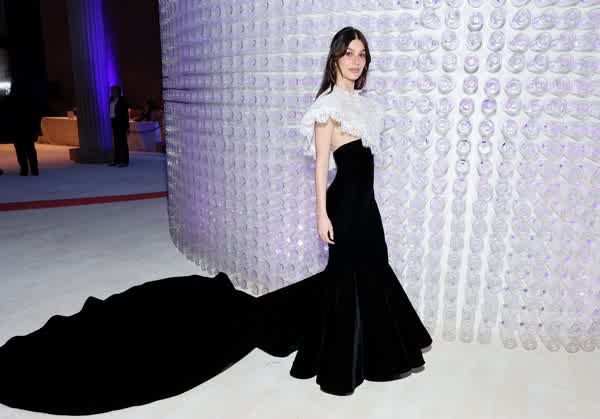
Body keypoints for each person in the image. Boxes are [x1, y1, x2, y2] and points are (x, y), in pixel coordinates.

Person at [0, 27, 432, 415]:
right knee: (347, 275)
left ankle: (371, 346)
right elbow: (322, 167)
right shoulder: (328, 107)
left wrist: (369, 208)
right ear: (335, 58)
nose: (356, 60)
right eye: (349, 53)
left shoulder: (365, 107)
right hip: (342, 207)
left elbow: (365, 169)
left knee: (369, 270)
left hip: (366, 207)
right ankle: (344, 360)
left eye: (362, 54)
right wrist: (321, 214)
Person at [10, 93, 43, 176]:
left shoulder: (14, 106)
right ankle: (33, 169)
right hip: (27, 129)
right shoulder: (31, 105)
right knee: (30, 150)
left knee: (21, 150)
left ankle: (25, 169)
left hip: (19, 130)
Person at [108, 85, 130, 167]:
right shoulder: (111, 99)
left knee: (123, 142)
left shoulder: (122, 100)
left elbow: (126, 114)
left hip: (121, 123)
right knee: (116, 142)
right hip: (114, 122)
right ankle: (116, 160)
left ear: (118, 92)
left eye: (114, 91)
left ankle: (124, 161)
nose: (112, 92)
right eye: (112, 91)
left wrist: (127, 126)